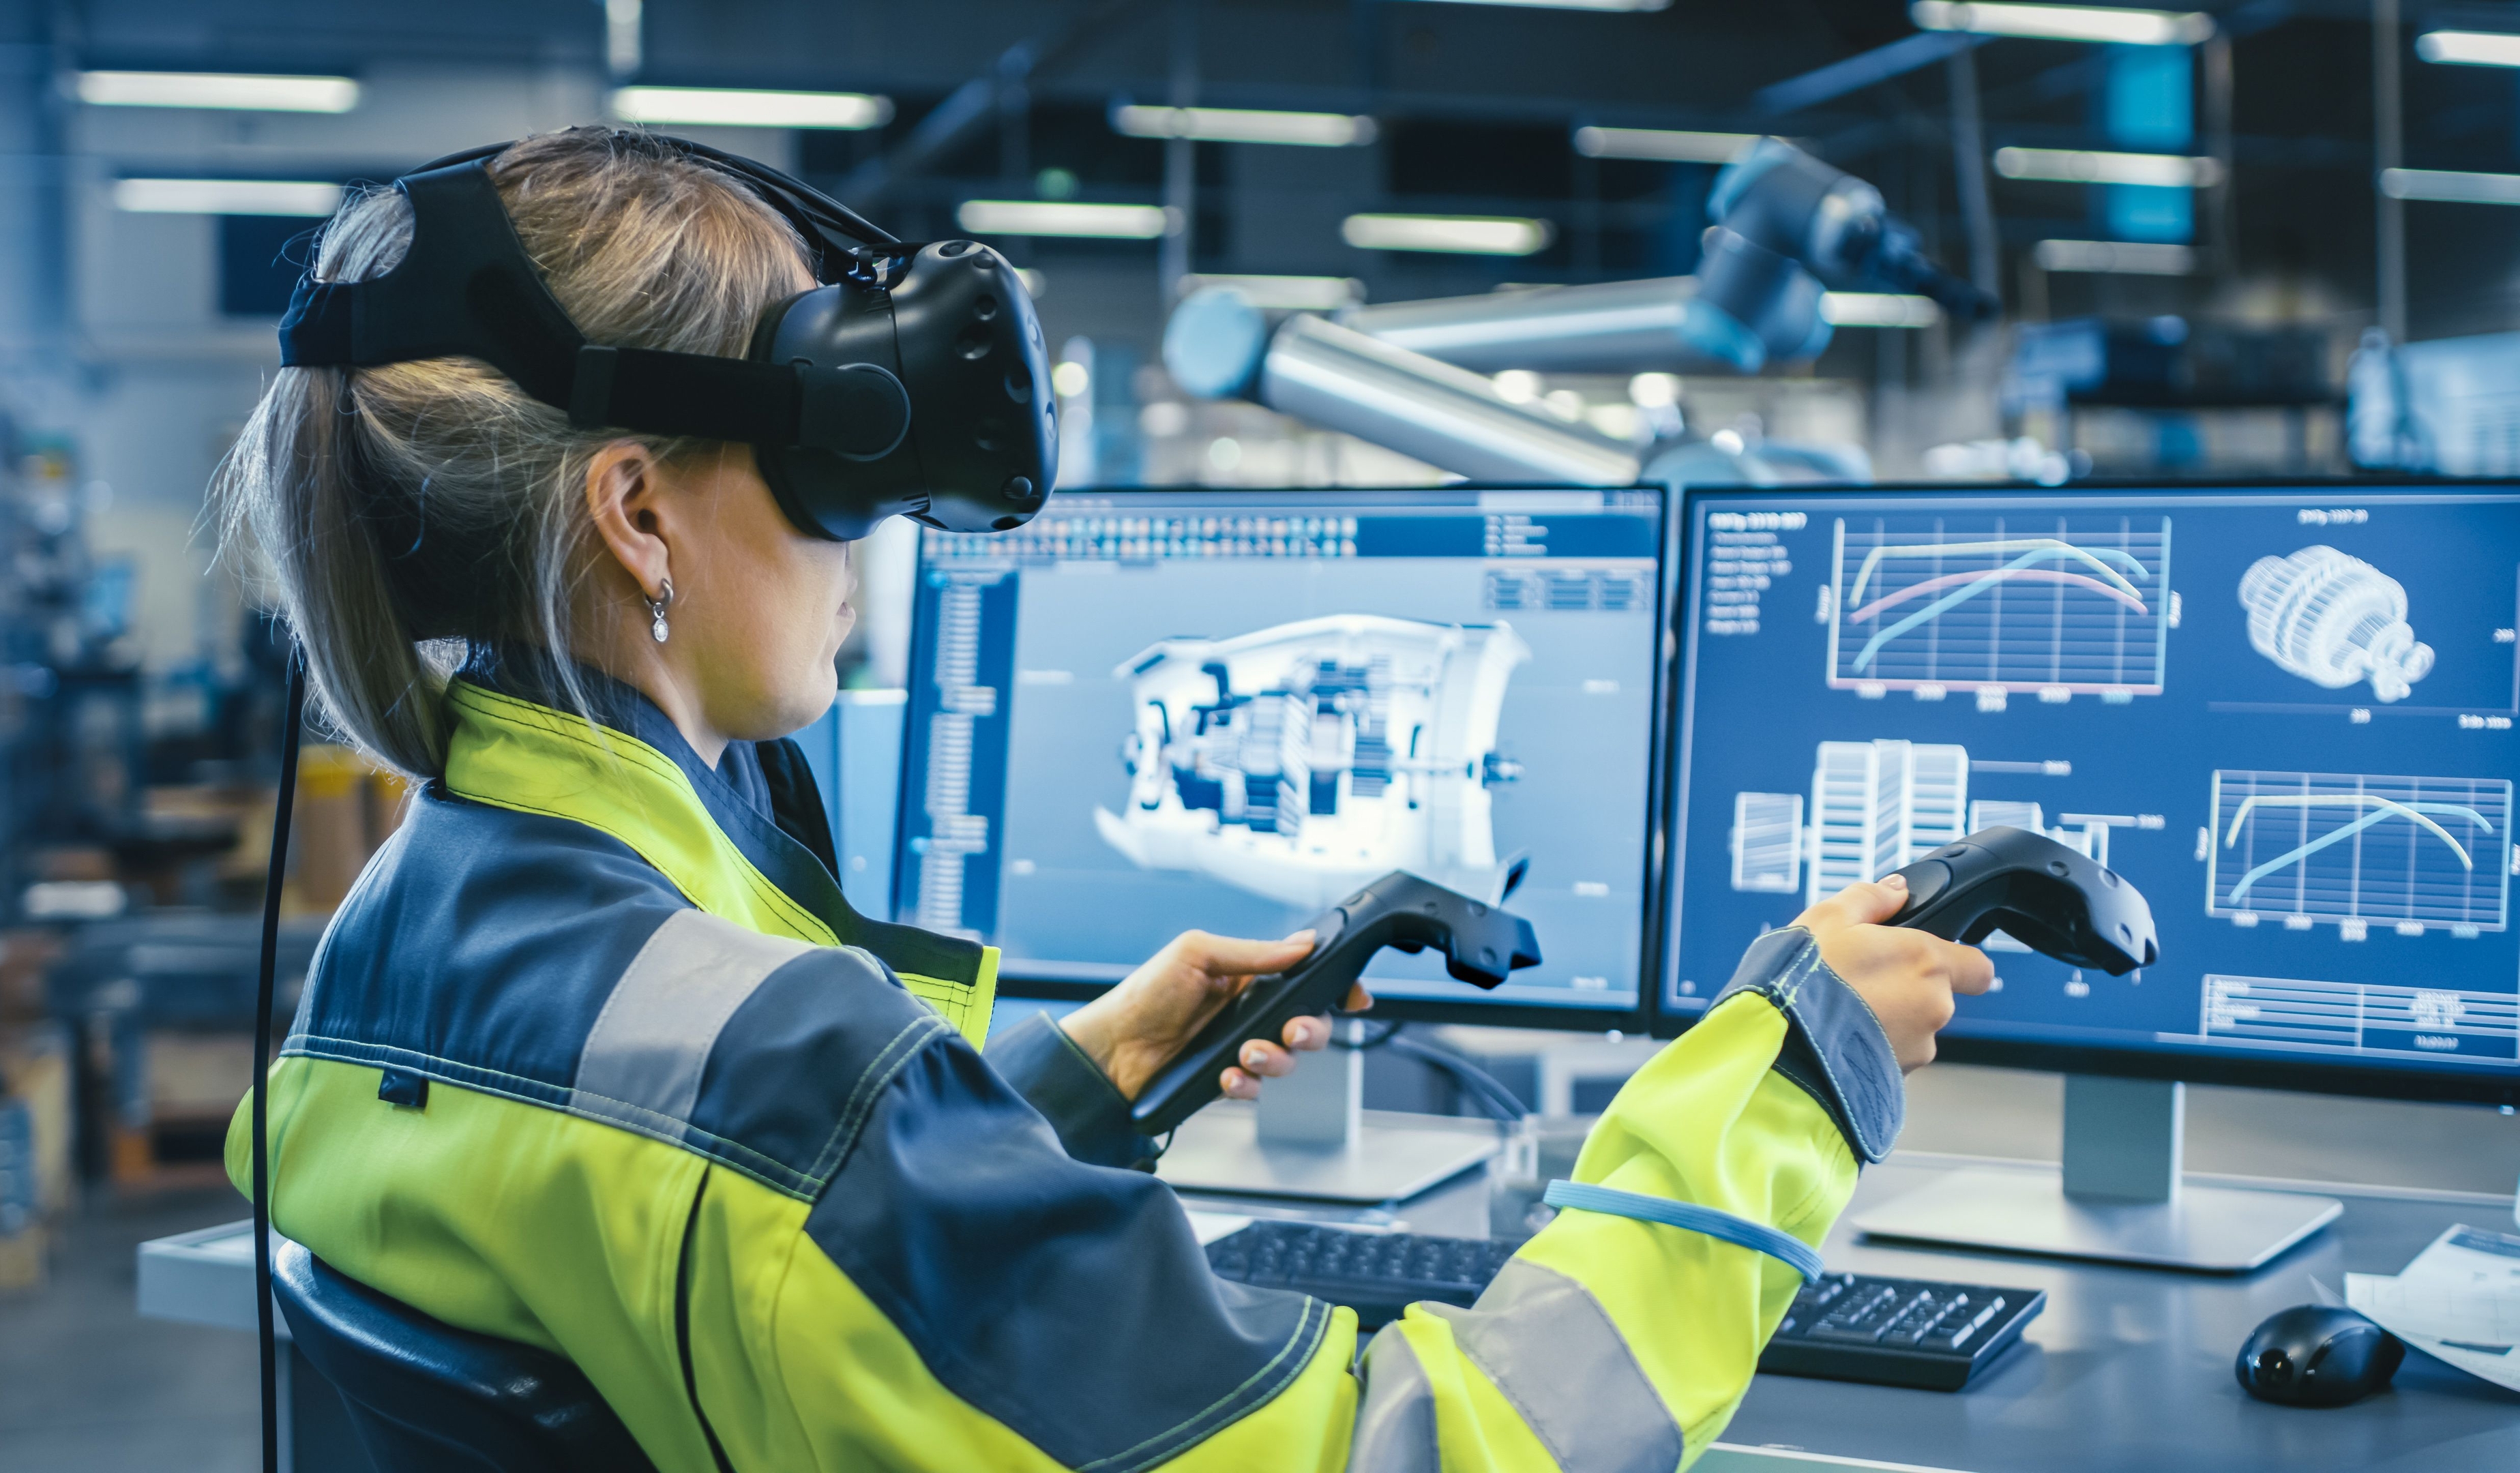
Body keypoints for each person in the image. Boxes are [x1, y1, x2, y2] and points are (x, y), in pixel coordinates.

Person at [218, 127, 1995, 1473]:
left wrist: (1057, 1095)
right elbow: (1423, 1444)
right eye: (837, 468)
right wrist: (1781, 1085)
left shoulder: (398, 943)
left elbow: (725, 1247)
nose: (875, 542)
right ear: (637, 513)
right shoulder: (779, 1082)